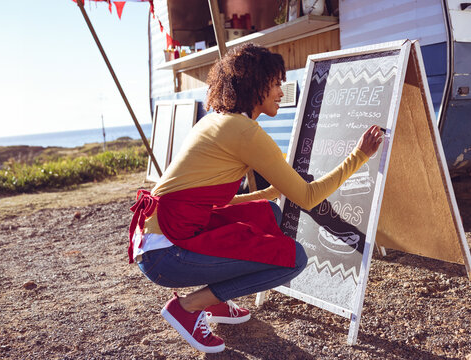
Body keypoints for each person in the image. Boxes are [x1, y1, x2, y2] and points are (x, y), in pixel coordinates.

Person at [128, 43, 383, 353]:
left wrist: (269, 192)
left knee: (267, 214)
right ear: (256, 84)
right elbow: (308, 197)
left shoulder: (216, 120)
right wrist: (360, 156)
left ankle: (216, 301)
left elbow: (208, 204)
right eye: (276, 83)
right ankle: (189, 306)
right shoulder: (246, 132)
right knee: (294, 259)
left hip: (159, 240)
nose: (281, 91)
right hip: (166, 256)